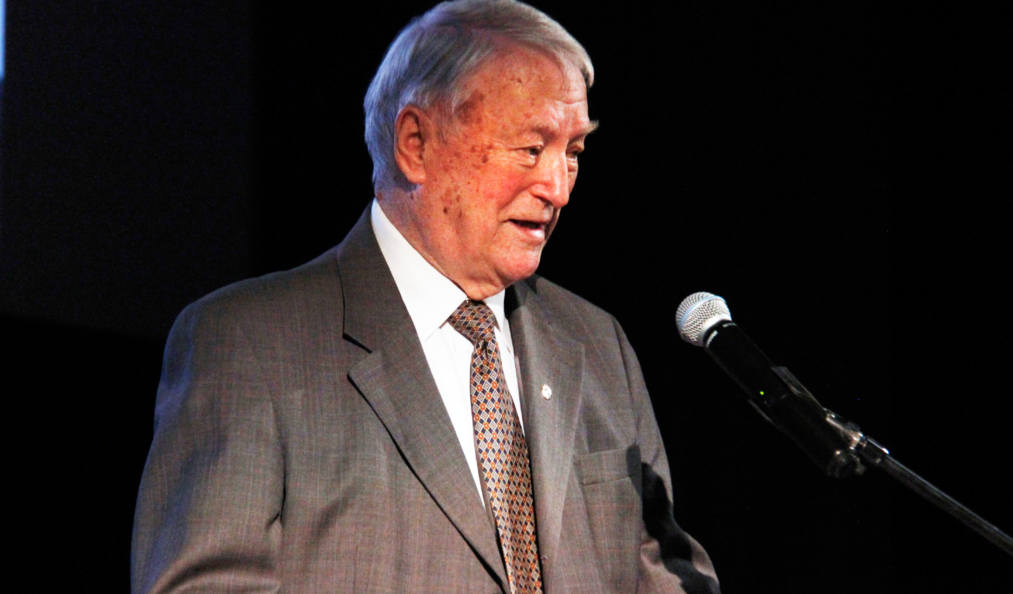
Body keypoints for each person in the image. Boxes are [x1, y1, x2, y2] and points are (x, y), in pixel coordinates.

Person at [131, 1, 719, 592]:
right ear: (416, 143)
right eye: (530, 148)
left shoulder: (598, 346)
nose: (558, 189)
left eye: (572, 153)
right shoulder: (250, 342)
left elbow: (664, 575)